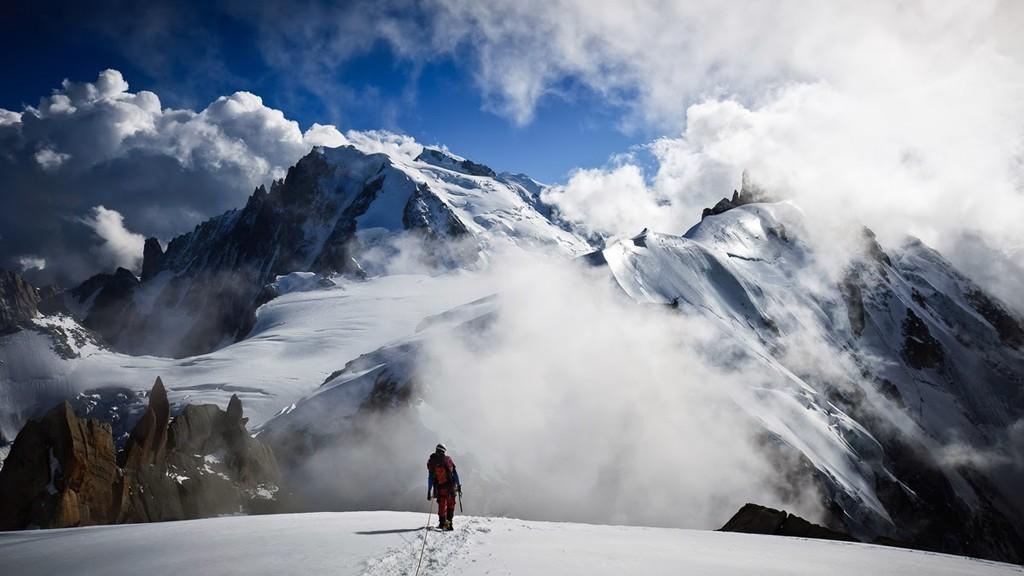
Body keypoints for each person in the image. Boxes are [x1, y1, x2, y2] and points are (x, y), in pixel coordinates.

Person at [427, 443, 461, 531]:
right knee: (451, 505)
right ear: (444, 450)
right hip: (450, 488)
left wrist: (429, 490)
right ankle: (449, 524)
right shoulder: (448, 459)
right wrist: (458, 485)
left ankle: (442, 523)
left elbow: (430, 477)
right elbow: (455, 473)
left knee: (442, 505)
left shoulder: (432, 461)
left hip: (440, 488)